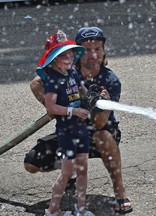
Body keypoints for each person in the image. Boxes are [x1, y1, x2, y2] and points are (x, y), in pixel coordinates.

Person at [24, 27, 133, 215]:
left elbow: (99, 123)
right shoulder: (67, 71)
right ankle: (71, 174)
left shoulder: (110, 80)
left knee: (102, 136)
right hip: (70, 130)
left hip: (99, 132)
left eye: (97, 49)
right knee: (32, 164)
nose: (93, 55)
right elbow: (36, 84)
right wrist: (52, 107)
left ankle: (120, 192)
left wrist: (100, 104)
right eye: (87, 50)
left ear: (104, 50)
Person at [36, 30, 94, 216]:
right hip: (66, 132)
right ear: (53, 59)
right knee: (67, 172)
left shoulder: (72, 72)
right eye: (62, 55)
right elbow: (51, 106)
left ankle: (81, 209)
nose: (68, 58)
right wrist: (74, 111)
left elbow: (82, 89)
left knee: (83, 170)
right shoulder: (53, 79)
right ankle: (53, 211)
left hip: (81, 129)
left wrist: (92, 97)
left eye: (70, 54)